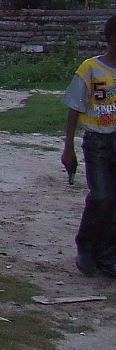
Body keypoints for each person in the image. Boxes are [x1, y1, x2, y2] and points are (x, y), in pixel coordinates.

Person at [62, 14, 116, 277]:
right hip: (97, 142)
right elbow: (74, 107)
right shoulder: (90, 69)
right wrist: (68, 147)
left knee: (113, 200)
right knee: (102, 195)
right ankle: (85, 247)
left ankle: (107, 254)